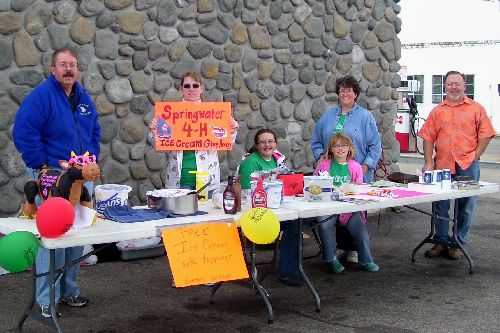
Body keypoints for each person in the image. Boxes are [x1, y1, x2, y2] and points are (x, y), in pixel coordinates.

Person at [13, 48, 101, 318]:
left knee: (76, 237)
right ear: (53, 69)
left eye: (72, 65)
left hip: (81, 177)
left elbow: (94, 129)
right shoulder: (41, 97)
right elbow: (24, 131)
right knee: (52, 237)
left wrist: (91, 161)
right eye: (63, 65)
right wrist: (40, 165)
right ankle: (45, 298)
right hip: (52, 178)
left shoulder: (83, 98)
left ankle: (68, 291)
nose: (68, 70)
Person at [418, 70, 495, 260]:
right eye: (450, 84)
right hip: (442, 165)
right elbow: (428, 137)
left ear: (464, 86)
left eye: (457, 84)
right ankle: (441, 242)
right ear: (445, 87)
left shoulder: (476, 108)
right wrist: (428, 162)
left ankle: (458, 243)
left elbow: (486, 134)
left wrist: (475, 155)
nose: (453, 87)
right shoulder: (438, 111)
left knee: (465, 206)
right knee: (440, 206)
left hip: (467, 165)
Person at [311, 75, 381, 264]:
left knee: (355, 213)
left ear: (356, 94)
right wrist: (321, 157)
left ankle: (355, 250)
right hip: (331, 174)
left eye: (349, 90)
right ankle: (342, 247)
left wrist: (365, 166)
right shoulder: (328, 115)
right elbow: (316, 139)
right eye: (342, 90)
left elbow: (375, 145)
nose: (345, 94)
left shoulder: (365, 117)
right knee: (334, 211)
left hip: (356, 174)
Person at [149, 71, 239, 195]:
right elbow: (159, 147)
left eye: (195, 85)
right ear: (181, 89)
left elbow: (226, 143)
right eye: (187, 86)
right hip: (179, 180)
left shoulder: (215, 114)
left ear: (201, 88)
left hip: (207, 180)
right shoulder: (169, 114)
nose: (191, 89)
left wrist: (232, 131)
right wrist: (154, 132)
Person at [313, 133, 379, 273]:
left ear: (349, 148)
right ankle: (330, 259)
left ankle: (366, 259)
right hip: (328, 207)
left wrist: (346, 214)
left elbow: (359, 191)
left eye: (344, 145)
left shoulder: (355, 167)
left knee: (361, 230)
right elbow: (314, 186)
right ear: (330, 149)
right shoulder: (323, 165)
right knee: (324, 225)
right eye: (336, 145)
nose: (340, 149)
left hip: (349, 207)